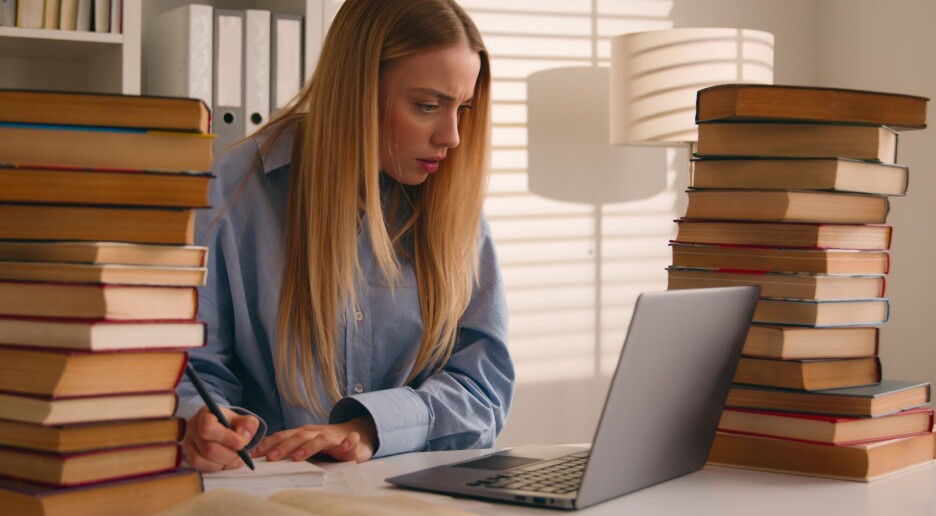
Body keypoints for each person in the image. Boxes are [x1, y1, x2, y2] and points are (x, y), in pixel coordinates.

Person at [177, 0, 514, 473]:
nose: (452, 136)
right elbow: (189, 370)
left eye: (464, 107)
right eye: (427, 106)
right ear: (355, 91)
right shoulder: (231, 192)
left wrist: (367, 428)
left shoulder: (453, 207)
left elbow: (483, 389)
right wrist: (203, 424)